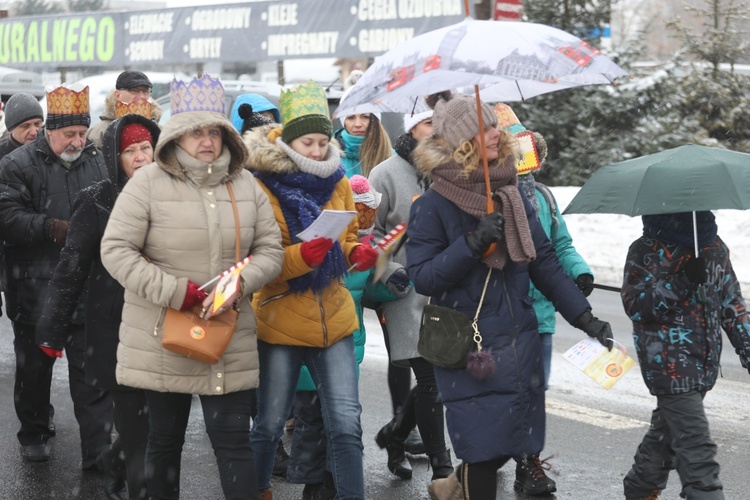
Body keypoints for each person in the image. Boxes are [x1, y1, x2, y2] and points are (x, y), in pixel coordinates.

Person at [404, 92, 613, 500]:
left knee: (508, 444)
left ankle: (454, 485)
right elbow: (424, 277)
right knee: (484, 451)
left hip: (520, 344)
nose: (496, 132)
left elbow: (546, 262)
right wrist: (471, 243)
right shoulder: (433, 204)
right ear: (464, 140)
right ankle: (463, 482)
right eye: (485, 128)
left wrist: (584, 318)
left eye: (494, 125)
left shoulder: (512, 193)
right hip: (471, 348)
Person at [100, 74, 284, 499]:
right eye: (196, 131)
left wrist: (238, 284)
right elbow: (117, 250)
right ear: (177, 135)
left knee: (234, 445)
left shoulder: (246, 185)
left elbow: (270, 251)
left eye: (215, 131)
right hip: (164, 336)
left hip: (228, 335)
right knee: (164, 444)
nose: (207, 141)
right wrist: (176, 291)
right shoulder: (147, 183)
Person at [245, 80, 379, 500]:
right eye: (309, 142)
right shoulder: (260, 186)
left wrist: (359, 253)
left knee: (345, 422)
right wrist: (304, 256)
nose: (319, 151)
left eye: (323, 141)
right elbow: (258, 264)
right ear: (287, 141)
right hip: (280, 318)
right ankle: (257, 489)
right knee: (269, 422)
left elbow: (350, 236)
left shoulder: (339, 180)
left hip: (334, 318)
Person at [36, 103, 160, 499]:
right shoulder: (97, 199)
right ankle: (124, 477)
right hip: (112, 323)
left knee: (152, 418)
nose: (141, 158)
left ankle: (118, 462)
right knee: (130, 414)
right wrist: (51, 330)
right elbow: (71, 267)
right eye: (130, 151)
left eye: (146, 148)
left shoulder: (173, 194)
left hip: (160, 321)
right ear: (114, 157)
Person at [0, 84, 112, 466]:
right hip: (35, 285)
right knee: (35, 367)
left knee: (89, 372)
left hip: (85, 287)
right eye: (70, 134)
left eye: (82, 133)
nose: (78, 141)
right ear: (50, 132)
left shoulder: (97, 161)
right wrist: (51, 228)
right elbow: (7, 218)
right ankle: (34, 429)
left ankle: (97, 450)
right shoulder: (16, 165)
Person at [284, 174, 409, 499]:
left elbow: (370, 288)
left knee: (341, 423)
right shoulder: (318, 246)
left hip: (346, 352)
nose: (363, 221)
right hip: (308, 350)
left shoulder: (362, 255)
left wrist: (392, 282)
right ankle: (315, 485)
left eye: (368, 214)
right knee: (313, 422)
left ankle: (335, 481)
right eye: (357, 213)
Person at [495, 103, 595, 495]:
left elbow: (560, 245)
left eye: (523, 149)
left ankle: (526, 459)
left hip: (543, 314)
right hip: (502, 311)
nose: (519, 158)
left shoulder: (543, 197)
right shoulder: (489, 199)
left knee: (536, 390)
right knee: (509, 389)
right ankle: (512, 456)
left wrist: (580, 271)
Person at [620, 212, 750, 500]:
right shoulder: (646, 250)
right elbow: (637, 306)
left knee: (665, 434)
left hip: (703, 361)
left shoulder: (713, 246)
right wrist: (682, 281)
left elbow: (733, 305)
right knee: (696, 447)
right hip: (666, 364)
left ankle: (640, 487)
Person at [368, 108, 455, 482]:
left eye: (440, 123)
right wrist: (389, 272)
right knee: (431, 380)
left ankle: (395, 434)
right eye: (427, 122)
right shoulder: (384, 173)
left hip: (446, 287)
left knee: (439, 379)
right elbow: (367, 232)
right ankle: (443, 470)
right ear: (412, 127)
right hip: (404, 290)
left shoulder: (453, 170)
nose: (435, 130)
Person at [0, 93, 45, 319]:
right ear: (11, 128)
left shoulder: (51, 151)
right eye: (26, 126)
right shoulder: (2, 157)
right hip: (14, 258)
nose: (34, 131)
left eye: (38, 124)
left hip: (46, 256)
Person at [334, 70, 393, 178]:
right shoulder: (330, 156)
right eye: (351, 117)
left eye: (365, 117)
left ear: (374, 121)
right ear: (344, 122)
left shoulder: (392, 157)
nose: (358, 124)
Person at [87, 70, 162, 149]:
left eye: (145, 91)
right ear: (118, 94)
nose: (141, 97)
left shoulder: (159, 130)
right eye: (134, 91)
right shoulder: (100, 132)